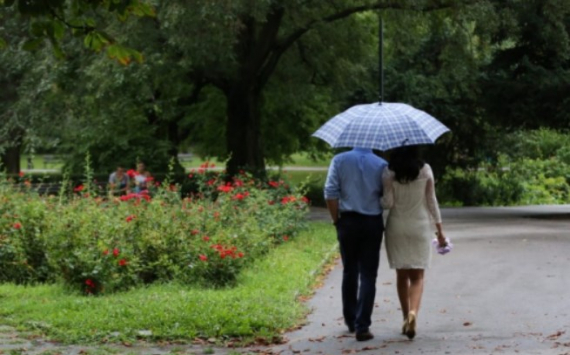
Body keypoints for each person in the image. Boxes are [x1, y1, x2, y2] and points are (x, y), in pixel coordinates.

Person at [381, 145, 447, 340]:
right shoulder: (425, 169)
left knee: (402, 275)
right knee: (417, 276)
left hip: (397, 226)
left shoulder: (389, 171)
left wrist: (376, 200)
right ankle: (413, 314)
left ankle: (404, 317)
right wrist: (440, 231)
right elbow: (431, 201)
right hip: (419, 226)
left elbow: (388, 203)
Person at [324, 147, 387, 341]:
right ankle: (362, 326)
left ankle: (351, 319)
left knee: (350, 270)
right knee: (369, 274)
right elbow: (386, 197)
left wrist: (336, 220)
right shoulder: (381, 164)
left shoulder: (339, 160)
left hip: (348, 221)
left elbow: (330, 192)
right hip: (372, 223)